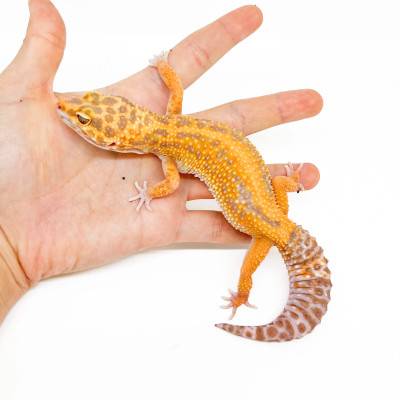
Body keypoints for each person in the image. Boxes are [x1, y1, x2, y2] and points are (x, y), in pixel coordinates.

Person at [0, 0, 322, 323]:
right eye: (86, 111)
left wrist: (146, 194)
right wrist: (164, 68)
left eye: (84, 117)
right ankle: (263, 284)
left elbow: (171, 183)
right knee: (279, 183)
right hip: (274, 210)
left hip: (266, 225)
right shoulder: (169, 121)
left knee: (252, 258)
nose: (68, 108)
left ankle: (243, 295)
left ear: (115, 141)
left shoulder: (167, 153)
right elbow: (176, 92)